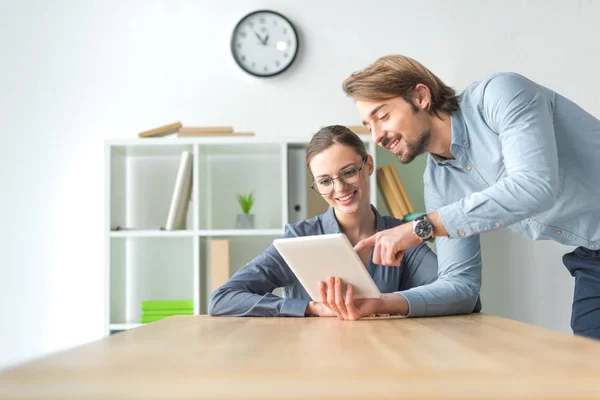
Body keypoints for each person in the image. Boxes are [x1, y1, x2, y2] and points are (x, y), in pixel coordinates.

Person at [344, 54, 600, 338]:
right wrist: (382, 302)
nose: (377, 136)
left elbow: (534, 186)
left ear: (420, 97)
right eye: (369, 126)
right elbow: (460, 284)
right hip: (594, 259)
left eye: (382, 116)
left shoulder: (500, 94)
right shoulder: (440, 183)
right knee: (589, 366)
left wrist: (421, 228)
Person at [209, 125, 446, 320]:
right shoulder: (299, 238)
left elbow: (455, 294)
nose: (340, 188)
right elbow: (222, 298)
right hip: (313, 364)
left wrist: (391, 304)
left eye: (349, 172)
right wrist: (309, 308)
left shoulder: (400, 235)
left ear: (369, 165)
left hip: (383, 362)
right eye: (325, 181)